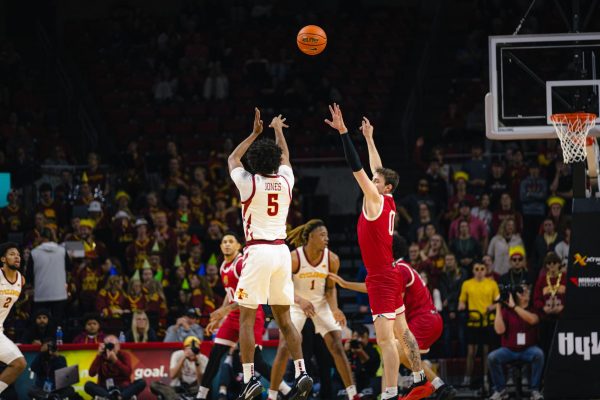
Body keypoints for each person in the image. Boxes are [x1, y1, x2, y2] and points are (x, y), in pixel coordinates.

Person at [325, 104, 433, 400]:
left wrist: (345, 133)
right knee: (402, 330)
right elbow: (376, 168)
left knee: (385, 341)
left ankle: (389, 393)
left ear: (384, 188)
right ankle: (419, 377)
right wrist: (370, 139)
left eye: (376, 182)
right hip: (388, 273)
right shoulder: (389, 200)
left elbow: (357, 167)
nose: (372, 182)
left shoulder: (374, 199)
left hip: (382, 277)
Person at [228, 109, 311, 399]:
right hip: (281, 252)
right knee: (285, 319)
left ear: (254, 163)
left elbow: (232, 159)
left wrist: (254, 133)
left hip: (258, 251)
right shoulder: (287, 180)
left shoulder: (248, 182)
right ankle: (301, 370)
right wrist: (278, 130)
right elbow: (286, 158)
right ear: (275, 161)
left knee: (247, 319)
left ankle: (250, 378)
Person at [329, 237, 457, 400]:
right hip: (428, 319)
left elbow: (394, 302)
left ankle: (388, 396)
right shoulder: (399, 269)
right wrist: (347, 284)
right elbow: (376, 287)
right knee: (408, 358)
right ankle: (441, 387)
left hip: (423, 319)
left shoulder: (400, 270)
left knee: (391, 352)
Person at [269, 220, 358, 400]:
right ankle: (271, 395)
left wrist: (335, 309)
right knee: (284, 346)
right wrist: (300, 300)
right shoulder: (295, 258)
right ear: (311, 237)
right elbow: (282, 285)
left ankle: (353, 394)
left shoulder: (332, 259)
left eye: (327, 235)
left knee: (336, 345)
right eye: (322, 235)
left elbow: (331, 288)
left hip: (321, 304)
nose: (327, 238)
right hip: (296, 304)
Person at [198, 233, 285, 400]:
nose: (227, 244)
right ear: (221, 246)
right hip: (232, 316)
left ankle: (285, 390)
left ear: (238, 246)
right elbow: (229, 294)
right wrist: (219, 316)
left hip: (251, 314)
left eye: (231, 241)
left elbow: (250, 295)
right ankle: (201, 395)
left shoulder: (241, 264)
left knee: (256, 361)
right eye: (224, 242)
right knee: (215, 354)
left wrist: (224, 311)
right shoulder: (223, 265)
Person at [488, 286, 544, 400]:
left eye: (527, 291)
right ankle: (501, 390)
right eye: (521, 292)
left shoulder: (533, 308)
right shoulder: (506, 311)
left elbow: (532, 320)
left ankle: (535, 390)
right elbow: (499, 330)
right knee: (492, 357)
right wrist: (498, 307)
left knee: (539, 354)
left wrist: (514, 307)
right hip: (509, 350)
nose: (525, 293)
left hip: (528, 349)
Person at [458, 262, 499, 388]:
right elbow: (461, 301)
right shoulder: (467, 284)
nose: (479, 271)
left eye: (482, 269)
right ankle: (467, 377)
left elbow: (499, 301)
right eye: (476, 269)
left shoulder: (492, 284)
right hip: (473, 322)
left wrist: (492, 306)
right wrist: (462, 305)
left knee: (487, 351)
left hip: (487, 322)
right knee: (471, 352)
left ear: (486, 270)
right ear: (473, 270)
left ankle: (486, 377)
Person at [0, 242, 27, 397]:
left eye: (18, 254)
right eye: (11, 254)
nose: (16, 257)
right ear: (3, 259)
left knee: (19, 364)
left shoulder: (21, 280)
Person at [28, 228, 71, 326]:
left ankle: (41, 340)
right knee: (58, 322)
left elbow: (29, 275)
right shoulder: (62, 251)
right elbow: (69, 268)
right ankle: (57, 340)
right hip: (59, 293)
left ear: (40, 237)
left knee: (40, 323)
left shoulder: (34, 253)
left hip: (41, 293)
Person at [84, 335, 146, 400]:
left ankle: (118, 397)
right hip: (105, 388)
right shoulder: (101, 356)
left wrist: (115, 361)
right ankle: (114, 398)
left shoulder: (124, 355)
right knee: (88, 385)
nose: (111, 348)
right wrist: (98, 355)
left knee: (141, 382)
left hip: (122, 388)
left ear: (118, 346)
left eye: (113, 345)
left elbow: (128, 373)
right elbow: (91, 373)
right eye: (108, 345)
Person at [345, 325, 381, 397]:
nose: (359, 340)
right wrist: (344, 352)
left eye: (362, 337)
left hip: (367, 381)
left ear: (367, 338)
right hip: (349, 381)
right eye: (357, 336)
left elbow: (372, 370)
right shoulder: (347, 348)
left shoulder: (372, 350)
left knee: (378, 381)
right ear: (352, 337)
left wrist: (361, 352)